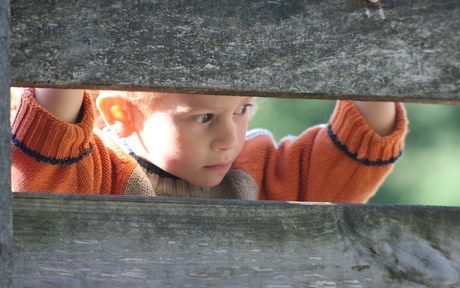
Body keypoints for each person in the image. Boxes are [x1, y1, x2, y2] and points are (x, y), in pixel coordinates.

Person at [11, 88, 407, 202]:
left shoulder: (261, 170)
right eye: (203, 118)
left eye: (243, 109)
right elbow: (49, 128)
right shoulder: (93, 171)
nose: (229, 140)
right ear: (120, 115)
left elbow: (356, 153)